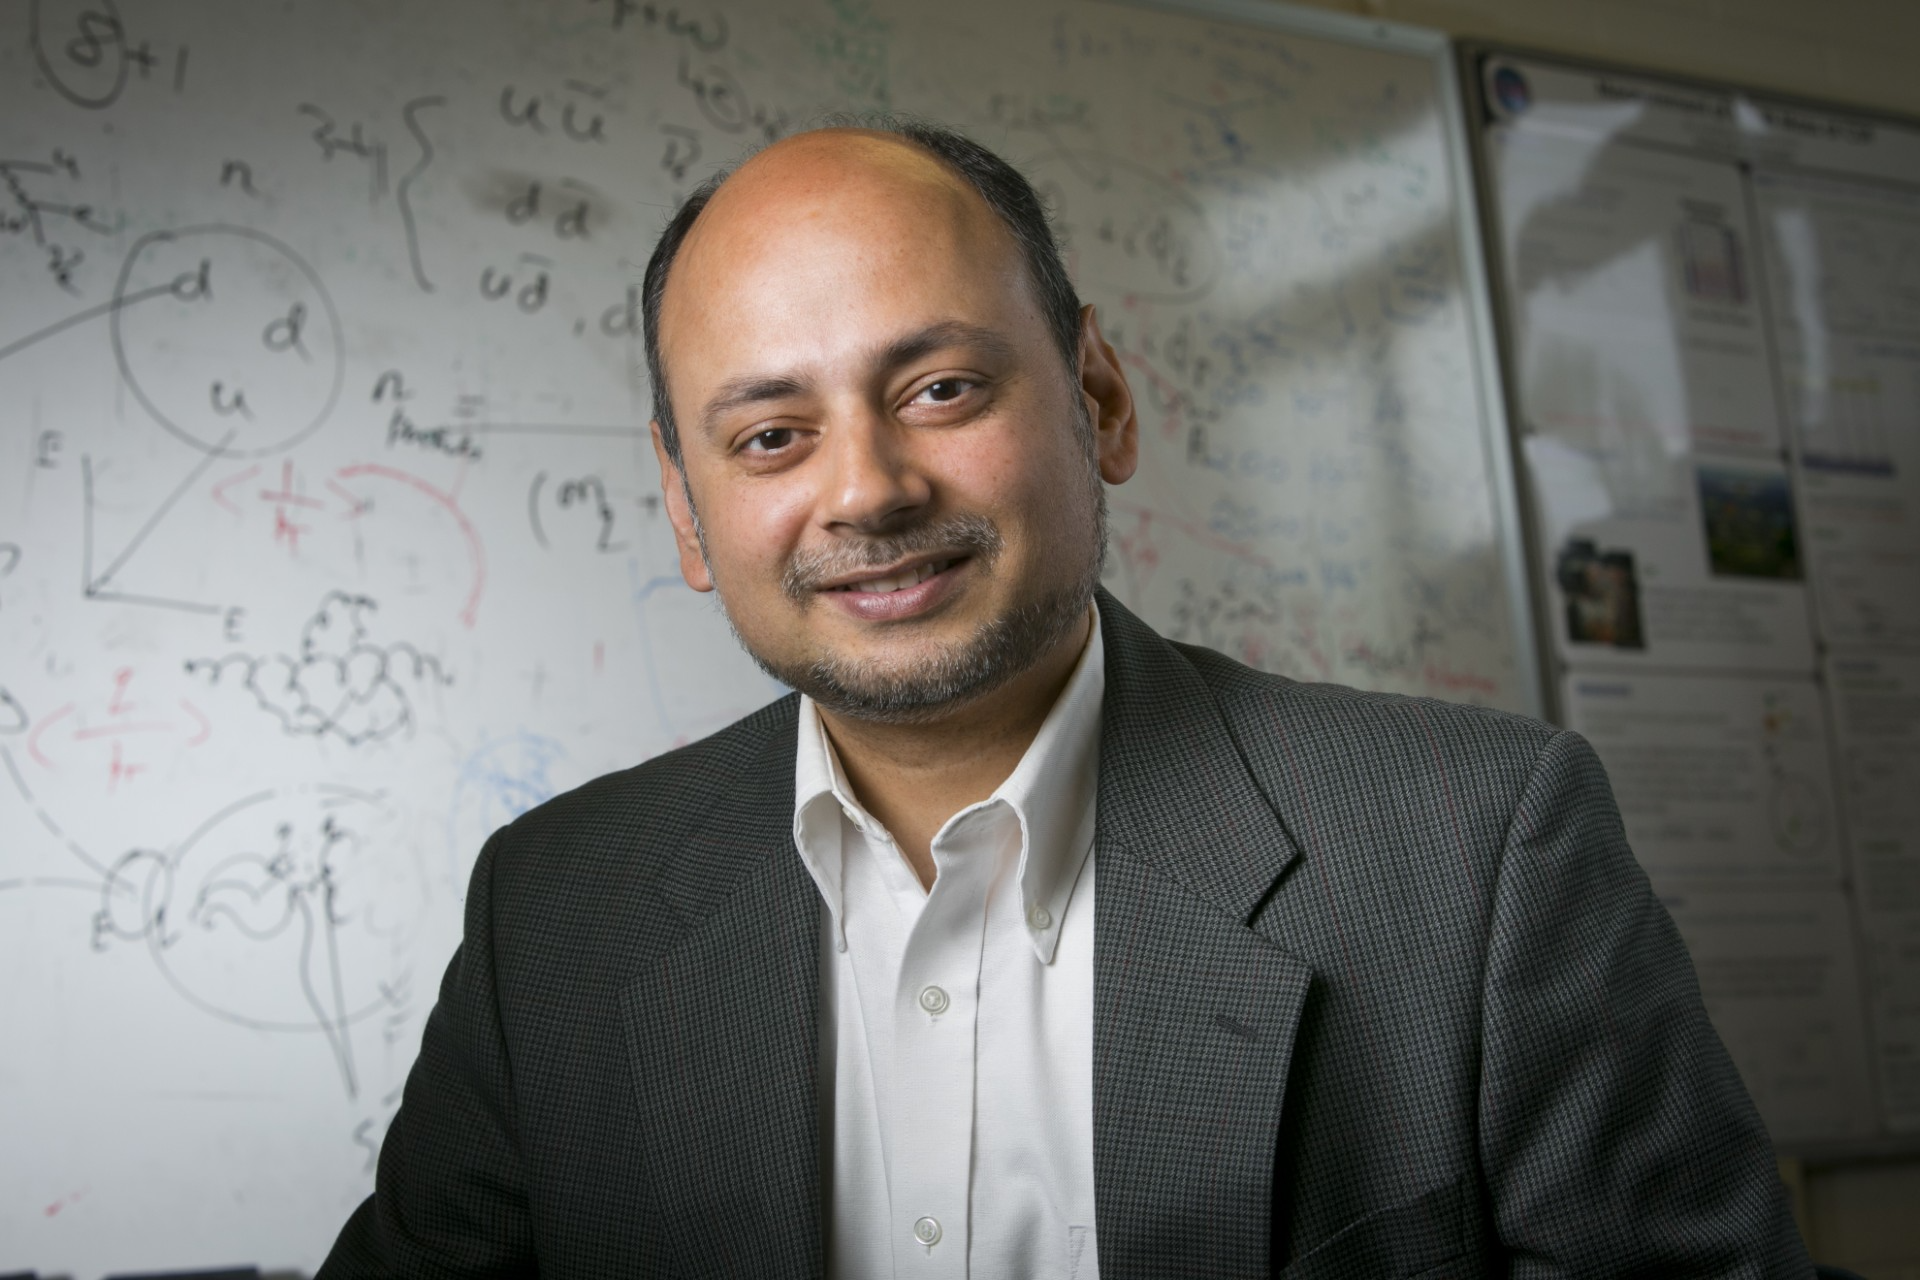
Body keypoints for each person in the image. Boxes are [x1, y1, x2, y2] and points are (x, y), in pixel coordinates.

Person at [318, 119, 1811, 1278]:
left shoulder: (1478, 851)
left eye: (941, 391)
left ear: (1099, 395)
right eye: (771, 435)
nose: (868, 490)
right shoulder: (555, 912)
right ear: (688, 514)